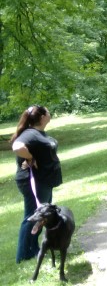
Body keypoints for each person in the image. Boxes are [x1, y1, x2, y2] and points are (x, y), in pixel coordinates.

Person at [9, 105, 63, 263]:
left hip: (44, 181)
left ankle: (33, 250)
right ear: (42, 117)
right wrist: (30, 158)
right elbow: (17, 146)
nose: (49, 112)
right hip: (34, 182)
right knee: (32, 216)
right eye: (47, 111)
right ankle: (24, 255)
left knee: (40, 217)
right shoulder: (30, 134)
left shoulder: (37, 133)